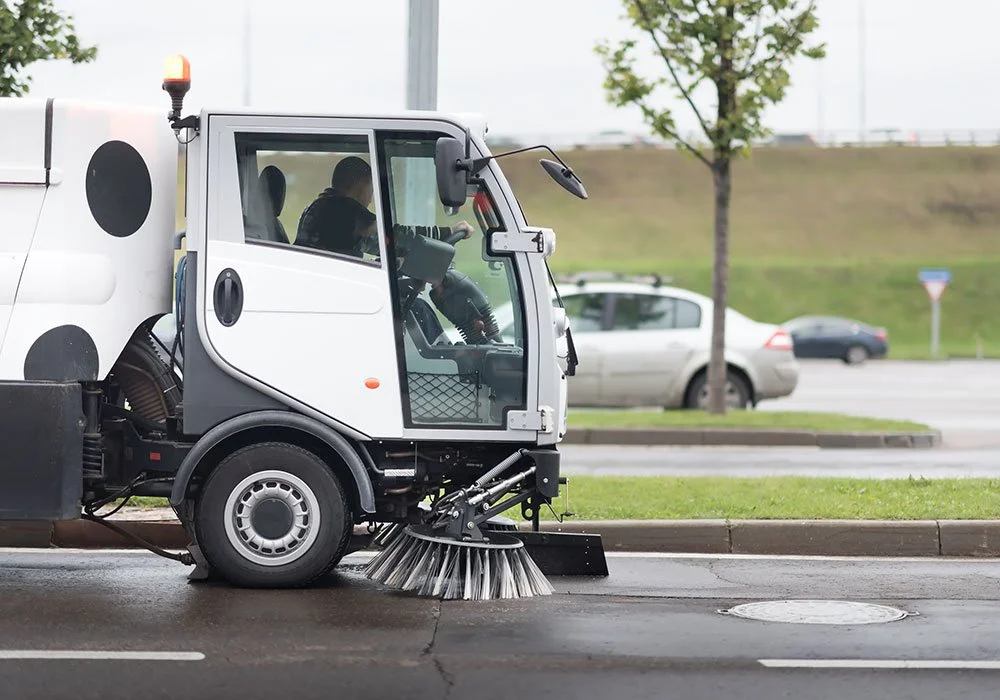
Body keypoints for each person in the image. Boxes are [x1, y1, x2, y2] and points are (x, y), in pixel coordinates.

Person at [295, 156, 378, 258]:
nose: (370, 200)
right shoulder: (346, 211)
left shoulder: (314, 207)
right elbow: (391, 239)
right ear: (360, 187)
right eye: (370, 191)